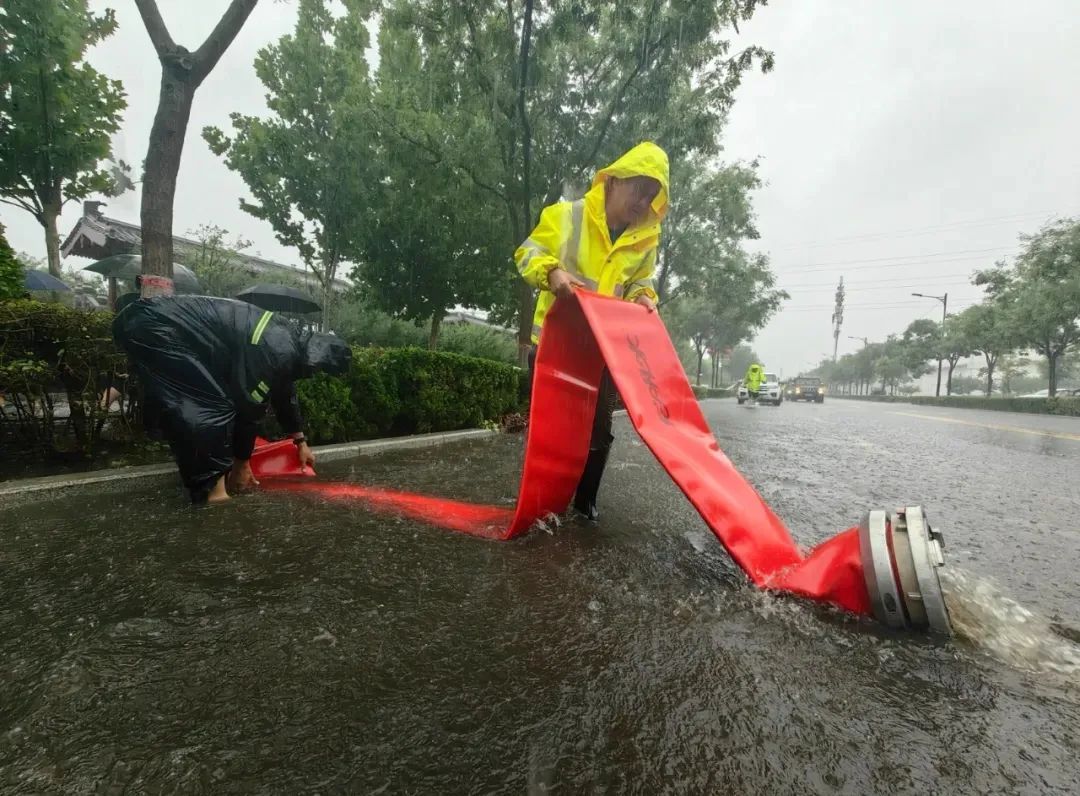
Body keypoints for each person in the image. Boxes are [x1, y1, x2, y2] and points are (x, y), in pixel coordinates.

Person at [515, 141, 669, 521]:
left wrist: (646, 298)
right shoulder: (567, 215)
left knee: (598, 433)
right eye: (640, 188)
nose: (644, 201)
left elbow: (639, 282)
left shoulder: (644, 240)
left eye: (652, 194)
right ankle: (540, 506)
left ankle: (585, 507)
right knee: (550, 431)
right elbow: (527, 253)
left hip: (602, 355)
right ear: (614, 181)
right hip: (555, 346)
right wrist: (552, 272)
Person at [113, 294, 351, 504]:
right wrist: (241, 464)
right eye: (320, 369)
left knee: (210, 402)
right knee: (212, 408)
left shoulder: (288, 342)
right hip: (155, 325)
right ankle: (213, 496)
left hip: (149, 321)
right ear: (316, 356)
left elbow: (283, 392)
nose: (316, 373)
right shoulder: (277, 347)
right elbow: (248, 406)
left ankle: (209, 481)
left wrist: (300, 442)